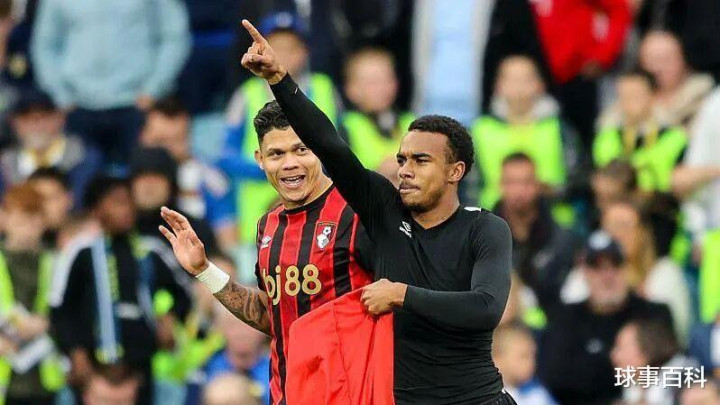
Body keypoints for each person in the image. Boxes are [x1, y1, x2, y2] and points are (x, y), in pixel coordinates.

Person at [240, 20, 515, 404]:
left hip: (478, 399)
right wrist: (280, 80)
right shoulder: (385, 214)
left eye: (421, 161)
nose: (405, 170)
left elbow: (486, 308)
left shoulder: (484, 227)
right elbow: (331, 146)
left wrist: (402, 294)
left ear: (455, 172)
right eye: (402, 160)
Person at [159, 100, 375, 404]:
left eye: (301, 150)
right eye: (276, 154)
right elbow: (269, 314)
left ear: (320, 150)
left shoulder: (358, 215)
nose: (289, 163)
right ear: (260, 159)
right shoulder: (267, 227)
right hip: (288, 393)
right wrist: (204, 270)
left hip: (351, 393)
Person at [49, 175, 192, 404]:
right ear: (97, 210)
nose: (126, 209)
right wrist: (75, 351)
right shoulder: (80, 252)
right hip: (93, 367)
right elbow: (60, 308)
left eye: (129, 202)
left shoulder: (151, 250)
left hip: (141, 364)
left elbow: (184, 293)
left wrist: (169, 318)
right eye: (117, 203)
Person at [221, 11, 342, 268]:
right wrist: (272, 166)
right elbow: (226, 156)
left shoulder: (325, 88)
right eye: (277, 48)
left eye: (292, 48)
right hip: (258, 221)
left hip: (323, 214)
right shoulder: (246, 95)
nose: (284, 55)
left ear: (305, 52)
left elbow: (343, 146)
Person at [31, 0, 191, 170]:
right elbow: (45, 45)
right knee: (79, 180)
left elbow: (174, 36)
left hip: (137, 103)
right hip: (78, 106)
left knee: (146, 177)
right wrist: (61, 95)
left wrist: (153, 89)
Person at [540, 231, 673, 404]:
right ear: (584, 272)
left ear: (627, 268)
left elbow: (671, 370)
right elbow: (555, 379)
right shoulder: (565, 318)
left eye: (615, 265)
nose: (607, 276)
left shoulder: (654, 314)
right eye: (597, 267)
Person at [472, 55, 584, 212]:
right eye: (511, 80)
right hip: (492, 220)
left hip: (554, 220)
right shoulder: (480, 130)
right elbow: (469, 187)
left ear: (540, 85)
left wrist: (553, 192)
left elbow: (578, 178)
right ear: (498, 85)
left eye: (526, 79)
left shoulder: (559, 128)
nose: (519, 87)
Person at [528, 0, 631, 148]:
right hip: (535, 78)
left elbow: (620, 10)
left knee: (587, 141)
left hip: (578, 76)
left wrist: (603, 55)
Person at [139, 98, 235, 251]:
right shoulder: (126, 181)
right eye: (160, 141)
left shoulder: (212, 182)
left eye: (177, 141)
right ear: (143, 137)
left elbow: (228, 242)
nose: (168, 150)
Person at [493, 153, 579, 322]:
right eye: (511, 182)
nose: (519, 191)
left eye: (526, 182)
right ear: (500, 186)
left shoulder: (563, 239)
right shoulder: (481, 238)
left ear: (538, 186)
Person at [0, 184, 64, 405]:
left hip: (43, 376)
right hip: (6, 375)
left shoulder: (55, 261)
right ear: (4, 218)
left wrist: (48, 324)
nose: (27, 229)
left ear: (44, 222)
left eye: (34, 222)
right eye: (21, 221)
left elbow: (71, 312)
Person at [0, 89, 102, 206]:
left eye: (44, 117)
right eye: (26, 118)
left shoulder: (86, 158)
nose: (36, 126)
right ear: (14, 123)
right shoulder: (4, 164)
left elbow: (84, 206)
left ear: (60, 118)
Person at [594, 69, 688, 193]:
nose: (629, 102)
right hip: (618, 202)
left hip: (661, 201)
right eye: (623, 96)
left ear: (653, 95)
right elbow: (606, 177)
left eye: (636, 95)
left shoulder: (674, 136)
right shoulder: (607, 136)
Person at [341, 47, 414, 183]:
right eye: (373, 82)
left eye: (387, 79)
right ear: (351, 89)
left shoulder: (411, 123)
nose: (382, 88)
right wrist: (378, 171)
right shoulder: (346, 128)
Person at [129, 147, 219, 256]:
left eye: (157, 177)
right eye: (142, 177)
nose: (149, 185)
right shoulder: (117, 230)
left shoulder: (194, 231)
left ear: (172, 185)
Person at [611, 319, 697, 405]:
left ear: (648, 348)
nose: (614, 355)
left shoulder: (684, 377)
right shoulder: (633, 386)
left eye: (621, 347)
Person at [202, 308, 270, 404]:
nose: (241, 332)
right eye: (233, 325)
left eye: (249, 324)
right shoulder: (205, 369)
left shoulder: (279, 372)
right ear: (220, 328)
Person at [493, 323, 557, 405]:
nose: (532, 363)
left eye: (533, 356)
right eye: (523, 356)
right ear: (497, 358)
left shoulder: (537, 394)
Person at [27, 168, 73, 248]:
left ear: (68, 199)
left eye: (49, 198)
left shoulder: (88, 240)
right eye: (36, 199)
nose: (43, 206)